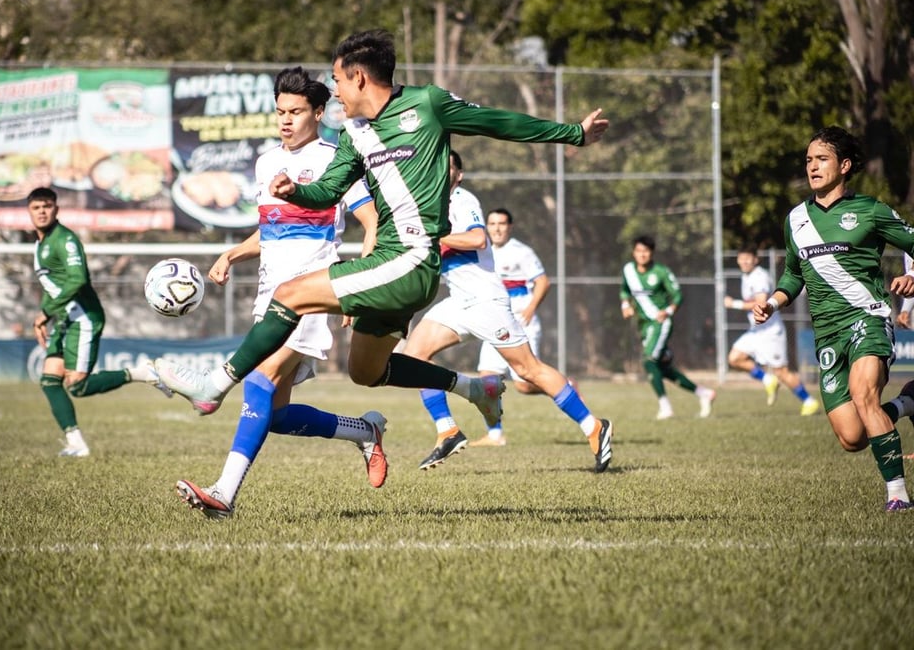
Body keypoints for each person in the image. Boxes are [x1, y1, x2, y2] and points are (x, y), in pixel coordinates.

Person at [155, 29, 610, 481]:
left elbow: (498, 122)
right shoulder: (353, 134)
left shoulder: (427, 104)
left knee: (290, 295)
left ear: (358, 78)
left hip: (412, 259)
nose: (334, 91)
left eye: (337, 80)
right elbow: (327, 190)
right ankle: (476, 389)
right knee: (366, 372)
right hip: (392, 267)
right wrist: (297, 191)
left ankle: (214, 386)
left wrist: (574, 134)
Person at [173, 67, 386, 520]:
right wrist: (232, 254)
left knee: (259, 380)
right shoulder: (266, 163)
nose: (285, 120)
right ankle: (365, 431)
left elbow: (372, 224)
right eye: (280, 112)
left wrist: (356, 287)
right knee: (275, 413)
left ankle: (224, 494)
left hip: (310, 293)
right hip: (270, 296)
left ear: (318, 112)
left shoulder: (337, 159)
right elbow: (272, 230)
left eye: (295, 112)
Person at [403, 151, 612, 473]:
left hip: (486, 301)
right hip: (459, 301)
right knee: (413, 357)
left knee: (528, 371)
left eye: (449, 167)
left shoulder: (461, 199)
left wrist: (434, 236)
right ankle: (448, 429)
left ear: (459, 175)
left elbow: (478, 238)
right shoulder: (429, 206)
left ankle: (593, 426)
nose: (441, 171)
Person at [753, 126, 914, 512]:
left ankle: (897, 495)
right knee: (852, 437)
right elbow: (793, 276)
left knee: (864, 395)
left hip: (868, 318)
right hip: (827, 334)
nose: (812, 166)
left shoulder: (870, 210)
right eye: (808, 160)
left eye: (821, 159)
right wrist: (772, 303)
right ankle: (909, 402)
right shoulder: (795, 219)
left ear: (844, 166)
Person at [27, 187, 172, 458]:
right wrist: (44, 316)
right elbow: (51, 285)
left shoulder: (65, 239)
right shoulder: (40, 244)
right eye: (36, 207)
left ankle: (141, 373)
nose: (42, 211)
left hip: (83, 317)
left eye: (47, 206)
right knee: (49, 380)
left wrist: (46, 312)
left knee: (77, 386)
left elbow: (77, 279)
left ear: (56, 209)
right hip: (65, 318)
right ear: (29, 211)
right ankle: (75, 443)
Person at [469, 206, 551, 446]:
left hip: (520, 324)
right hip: (494, 323)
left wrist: (531, 308)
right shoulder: (482, 251)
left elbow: (543, 282)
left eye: (502, 224)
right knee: (487, 381)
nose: (497, 229)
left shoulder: (521, 252)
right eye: (492, 224)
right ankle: (495, 434)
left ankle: (564, 387)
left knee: (524, 385)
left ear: (510, 227)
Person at [620, 235, 716, 419]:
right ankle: (703, 393)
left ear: (652, 253)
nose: (642, 255)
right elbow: (624, 290)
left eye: (646, 251)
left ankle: (665, 407)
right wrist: (625, 305)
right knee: (661, 368)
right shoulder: (629, 270)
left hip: (660, 323)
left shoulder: (661, 272)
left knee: (648, 360)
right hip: (644, 326)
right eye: (639, 251)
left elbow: (678, 295)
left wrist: (668, 311)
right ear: (633, 252)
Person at [724, 246, 820, 415]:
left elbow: (760, 303)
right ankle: (768, 379)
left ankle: (809, 401)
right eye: (741, 258)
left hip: (770, 332)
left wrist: (734, 304)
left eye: (748, 258)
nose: (744, 261)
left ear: (755, 259)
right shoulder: (747, 276)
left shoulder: (760, 277)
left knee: (781, 372)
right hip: (756, 331)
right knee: (734, 358)